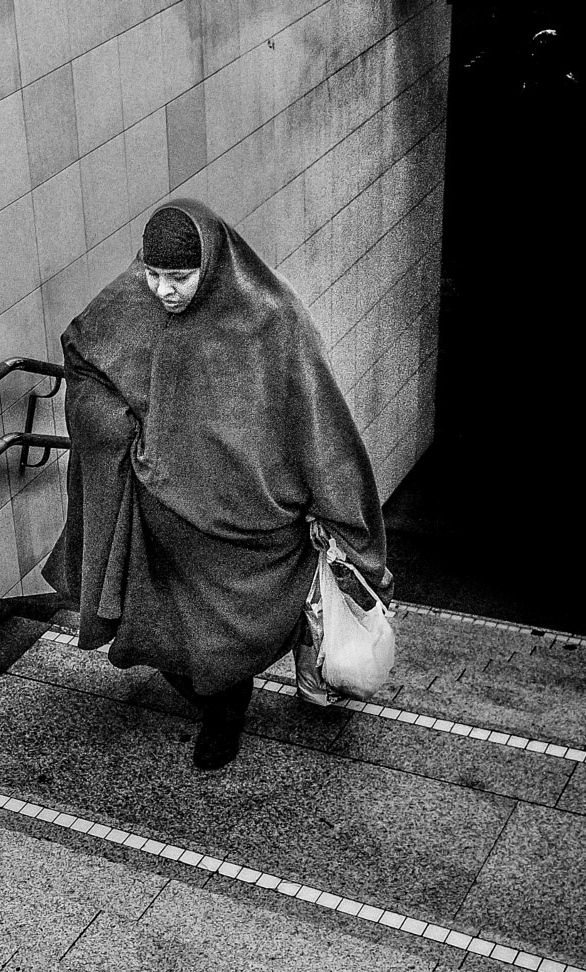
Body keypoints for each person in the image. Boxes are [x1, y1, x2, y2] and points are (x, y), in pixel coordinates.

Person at [43, 199, 392, 769]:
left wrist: (354, 536)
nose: (162, 291)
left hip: (248, 541)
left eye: (179, 278)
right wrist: (119, 429)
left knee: (227, 647)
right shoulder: (130, 302)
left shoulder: (273, 322)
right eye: (152, 274)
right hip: (161, 533)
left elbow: (322, 428)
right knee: (164, 641)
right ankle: (218, 705)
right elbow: (83, 358)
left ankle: (226, 713)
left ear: (213, 264)